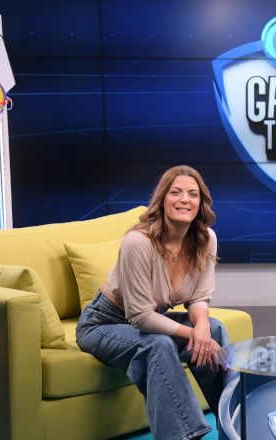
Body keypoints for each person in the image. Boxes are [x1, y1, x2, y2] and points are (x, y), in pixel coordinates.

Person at [76, 165, 234, 440]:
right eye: (176, 192)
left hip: (147, 321)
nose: (185, 199)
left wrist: (202, 327)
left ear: (201, 203)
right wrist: (194, 334)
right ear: (162, 199)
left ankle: (235, 427)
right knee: (158, 344)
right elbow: (140, 317)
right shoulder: (138, 242)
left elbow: (198, 297)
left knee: (215, 329)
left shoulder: (205, 239)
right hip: (103, 323)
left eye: (193, 194)